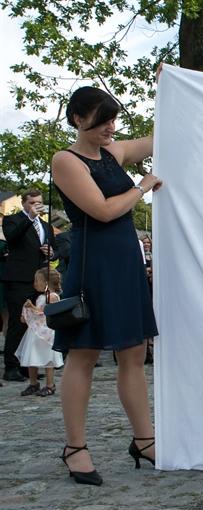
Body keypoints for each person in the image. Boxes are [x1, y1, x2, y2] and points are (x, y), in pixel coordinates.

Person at [50, 85, 162, 486]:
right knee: (84, 353)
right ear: (78, 119)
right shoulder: (65, 160)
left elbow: (161, 135)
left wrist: (169, 87)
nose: (111, 127)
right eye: (102, 120)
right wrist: (142, 187)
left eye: (113, 119)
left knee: (134, 351)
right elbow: (101, 210)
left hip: (126, 261)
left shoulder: (113, 152)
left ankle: (144, 440)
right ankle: (75, 448)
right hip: (92, 264)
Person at [2, 190, 56, 383]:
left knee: (35, 323)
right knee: (19, 322)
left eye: (38, 202)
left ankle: (28, 367)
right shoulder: (12, 220)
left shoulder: (46, 226)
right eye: (32, 202)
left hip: (40, 280)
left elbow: (55, 249)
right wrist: (30, 218)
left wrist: (51, 252)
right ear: (24, 203)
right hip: (19, 278)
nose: (36, 205)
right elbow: (13, 238)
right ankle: (11, 367)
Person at [17, 267, 63, 397]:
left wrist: (31, 307)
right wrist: (27, 313)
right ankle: (33, 383)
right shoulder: (41, 297)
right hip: (35, 332)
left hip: (46, 333)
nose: (35, 283)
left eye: (37, 280)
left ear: (46, 283)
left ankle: (50, 385)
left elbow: (45, 312)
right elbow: (37, 314)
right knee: (32, 357)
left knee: (48, 359)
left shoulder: (52, 296)